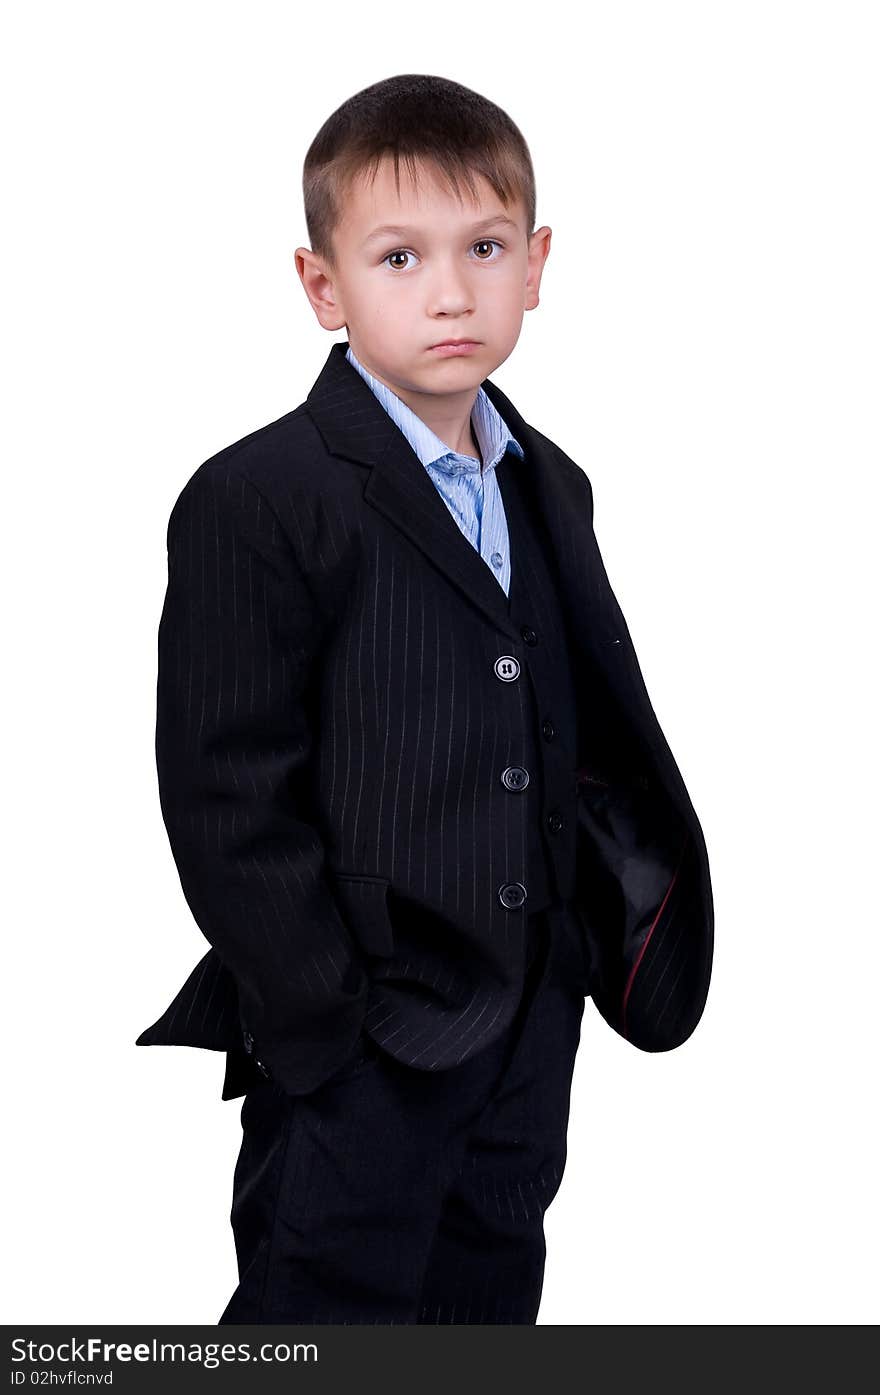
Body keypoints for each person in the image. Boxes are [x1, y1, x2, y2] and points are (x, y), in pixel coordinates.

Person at [136, 72, 714, 1325]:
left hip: (523, 1029)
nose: (451, 291)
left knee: (486, 1311)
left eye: (485, 248)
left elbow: (573, 728)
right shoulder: (260, 497)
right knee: (319, 1319)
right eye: (399, 257)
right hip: (362, 1041)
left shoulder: (548, 482)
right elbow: (226, 793)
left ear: (537, 263)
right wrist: (319, 1023)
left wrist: (565, 956)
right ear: (321, 286)